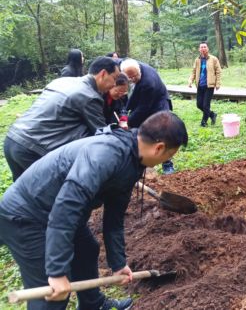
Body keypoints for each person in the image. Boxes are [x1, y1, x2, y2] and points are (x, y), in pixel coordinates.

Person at [0, 111, 188, 310]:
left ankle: (93, 304)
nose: (163, 162)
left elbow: (114, 218)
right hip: (26, 215)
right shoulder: (105, 155)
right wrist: (56, 272)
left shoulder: (133, 160)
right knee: (52, 293)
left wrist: (118, 264)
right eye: (169, 155)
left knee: (87, 250)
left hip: (57, 211)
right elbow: (66, 209)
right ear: (159, 148)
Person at [4, 56, 120, 181]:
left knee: (21, 193)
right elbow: (101, 134)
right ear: (103, 73)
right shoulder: (90, 96)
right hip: (33, 149)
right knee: (48, 195)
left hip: (12, 139)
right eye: (114, 78)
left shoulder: (62, 81)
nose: (114, 84)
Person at [120, 58, 174, 174]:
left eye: (135, 76)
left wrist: (128, 121)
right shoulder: (132, 66)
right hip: (144, 101)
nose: (133, 79)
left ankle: (167, 164)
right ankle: (139, 161)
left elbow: (143, 109)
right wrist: (124, 111)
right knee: (138, 131)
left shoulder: (148, 83)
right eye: (130, 77)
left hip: (158, 104)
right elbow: (134, 97)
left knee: (162, 133)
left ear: (139, 70)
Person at [187, 42, 222, 127]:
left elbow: (218, 72)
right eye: (201, 47)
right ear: (199, 49)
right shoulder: (197, 60)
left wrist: (218, 83)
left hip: (209, 85)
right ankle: (212, 114)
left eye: (205, 47)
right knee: (199, 104)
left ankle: (204, 122)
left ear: (207, 48)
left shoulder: (213, 59)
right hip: (200, 85)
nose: (203, 49)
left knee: (206, 105)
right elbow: (194, 71)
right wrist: (190, 80)